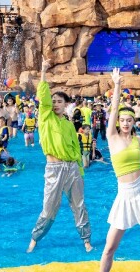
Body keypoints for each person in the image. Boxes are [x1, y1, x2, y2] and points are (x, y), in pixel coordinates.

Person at [100, 68, 140, 272]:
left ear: (134, 121)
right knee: (110, 247)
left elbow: (139, 164)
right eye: (122, 120)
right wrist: (117, 84)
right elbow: (114, 108)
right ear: (118, 122)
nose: (126, 123)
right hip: (125, 194)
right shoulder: (112, 137)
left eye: (129, 120)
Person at [27, 58, 92, 253]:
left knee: (79, 205)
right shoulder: (45, 117)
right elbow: (43, 95)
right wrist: (43, 70)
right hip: (54, 168)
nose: (55, 104)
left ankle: (86, 240)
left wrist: (80, 171)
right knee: (49, 208)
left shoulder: (69, 125)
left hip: (72, 168)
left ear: (66, 105)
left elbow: (76, 149)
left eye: (59, 101)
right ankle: (35, 238)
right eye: (53, 101)